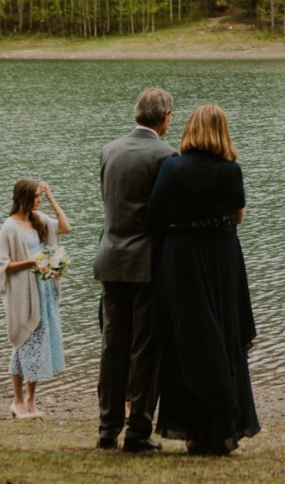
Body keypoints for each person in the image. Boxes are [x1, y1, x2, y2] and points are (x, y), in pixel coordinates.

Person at [147, 104, 260, 454]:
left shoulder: (171, 167)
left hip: (181, 257)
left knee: (187, 338)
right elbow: (238, 217)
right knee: (224, 335)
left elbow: (154, 215)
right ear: (223, 131)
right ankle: (223, 429)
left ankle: (193, 430)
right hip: (221, 257)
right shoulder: (231, 170)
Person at [93, 87, 177, 452]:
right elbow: (165, 212)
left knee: (113, 343)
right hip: (147, 261)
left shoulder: (109, 150)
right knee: (145, 346)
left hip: (111, 255)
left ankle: (107, 427)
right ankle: (139, 431)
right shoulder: (166, 155)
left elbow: (106, 200)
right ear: (165, 118)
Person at [0, 179, 71, 419]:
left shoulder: (39, 219)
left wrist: (51, 197)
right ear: (23, 198)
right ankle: (17, 401)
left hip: (44, 291)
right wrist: (32, 262)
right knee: (23, 341)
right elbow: (2, 265)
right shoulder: (10, 226)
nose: (39, 200)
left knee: (38, 345)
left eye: (41, 196)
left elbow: (65, 227)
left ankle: (31, 400)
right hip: (23, 294)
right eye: (36, 196)